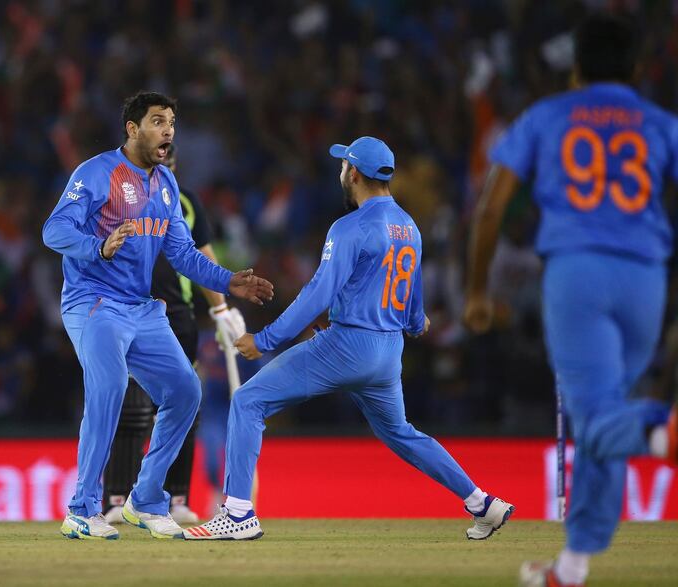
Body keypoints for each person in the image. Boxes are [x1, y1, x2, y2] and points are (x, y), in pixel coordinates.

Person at [181, 136, 514, 541]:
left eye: (344, 165)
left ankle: (237, 514)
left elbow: (317, 294)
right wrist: (413, 321)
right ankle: (482, 502)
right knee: (402, 433)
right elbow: (413, 296)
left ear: (353, 173)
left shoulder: (349, 227)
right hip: (388, 352)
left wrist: (265, 339)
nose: (342, 171)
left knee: (249, 401)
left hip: (347, 346)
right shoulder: (409, 227)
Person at [463, 14, 678, 587]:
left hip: (577, 274)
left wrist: (478, 289)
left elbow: (490, 209)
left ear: (576, 68)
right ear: (635, 69)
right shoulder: (660, 123)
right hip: (646, 278)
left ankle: (662, 433)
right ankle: (572, 568)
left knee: (599, 417)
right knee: (603, 417)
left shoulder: (547, 116)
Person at [42, 91, 273, 540]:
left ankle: (145, 498)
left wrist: (228, 281)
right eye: (157, 121)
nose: (168, 129)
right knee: (108, 387)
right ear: (132, 129)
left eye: (171, 121)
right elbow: (54, 230)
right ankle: (81, 508)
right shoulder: (95, 173)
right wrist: (98, 246)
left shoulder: (165, 185)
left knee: (186, 391)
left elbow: (184, 254)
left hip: (142, 308)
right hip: (94, 301)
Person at [103, 144, 246, 526]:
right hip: (131, 309)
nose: (160, 167)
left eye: (168, 161)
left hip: (178, 316)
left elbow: (203, 255)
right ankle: (119, 496)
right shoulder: (118, 195)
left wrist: (219, 308)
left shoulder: (186, 202)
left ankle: (175, 496)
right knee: (131, 408)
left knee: (184, 404)